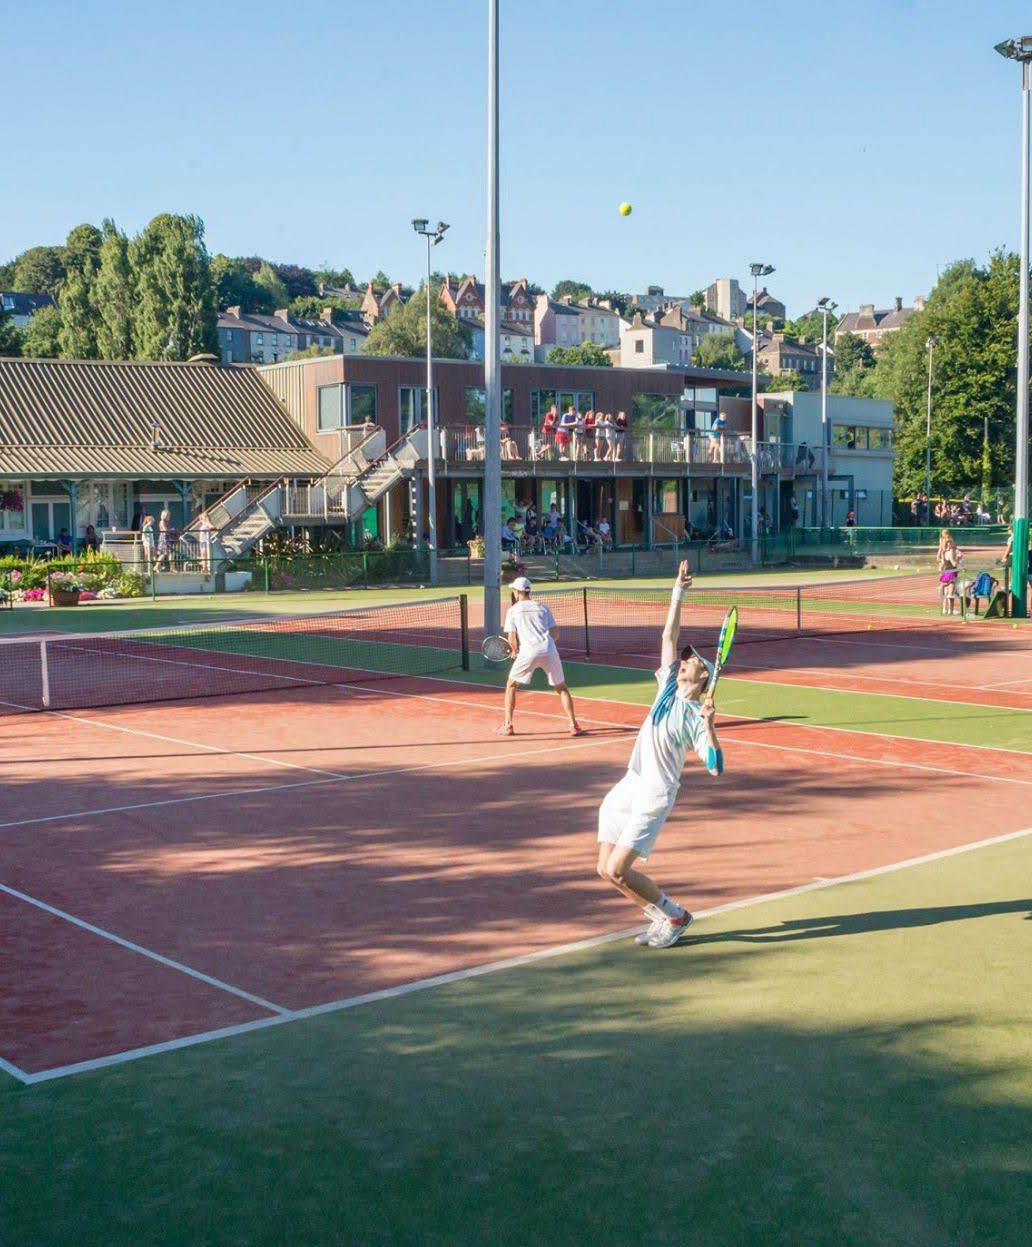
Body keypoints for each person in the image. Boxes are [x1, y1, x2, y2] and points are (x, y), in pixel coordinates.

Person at [596, 561, 723, 949]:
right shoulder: (667, 684)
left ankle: (676, 915)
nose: (684, 661)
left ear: (704, 676)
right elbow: (669, 634)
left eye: (692, 660)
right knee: (605, 869)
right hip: (631, 784)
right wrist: (677, 592)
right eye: (685, 659)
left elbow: (715, 768)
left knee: (620, 868)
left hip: (655, 794)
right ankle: (659, 916)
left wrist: (710, 726)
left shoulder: (696, 716)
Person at [497, 577, 581, 737]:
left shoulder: (513, 611)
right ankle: (573, 725)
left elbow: (512, 638)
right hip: (549, 649)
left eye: (514, 590)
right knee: (562, 688)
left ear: (517, 592)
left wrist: (514, 651)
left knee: (511, 685)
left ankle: (507, 725)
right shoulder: (543, 607)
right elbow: (555, 634)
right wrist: (543, 645)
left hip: (528, 652)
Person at [937, 528, 962, 615]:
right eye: (951, 543)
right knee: (951, 592)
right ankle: (950, 610)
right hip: (951, 572)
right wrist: (958, 560)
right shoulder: (949, 552)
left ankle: (945, 609)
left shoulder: (946, 551)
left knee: (947, 592)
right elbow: (954, 563)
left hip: (946, 572)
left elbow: (941, 561)